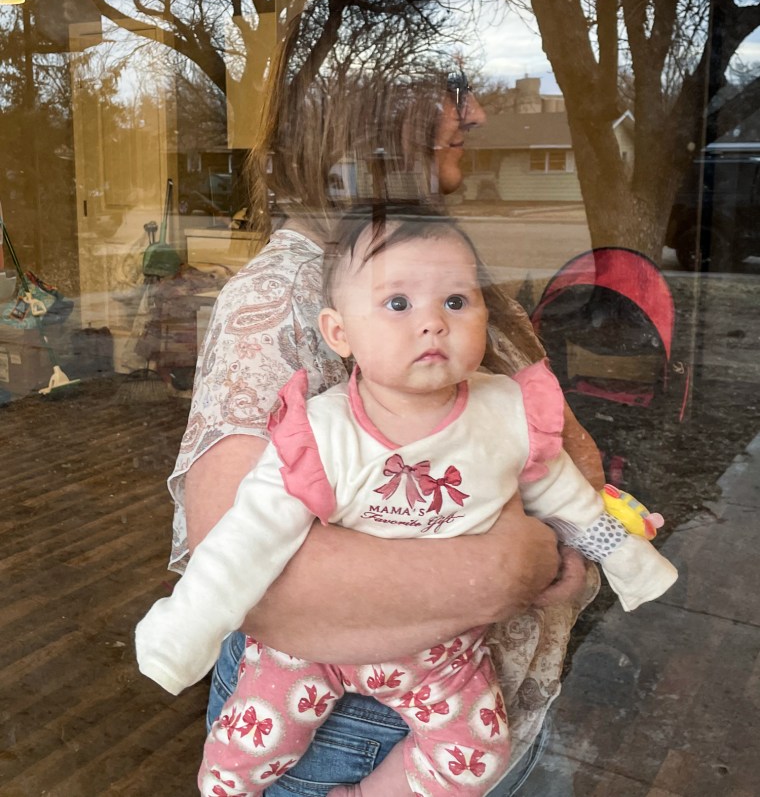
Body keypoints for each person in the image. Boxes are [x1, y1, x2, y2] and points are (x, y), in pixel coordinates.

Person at [162, 0, 606, 796]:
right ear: (381, 110)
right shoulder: (285, 299)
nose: (473, 113)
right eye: (451, 86)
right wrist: (512, 566)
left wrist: (580, 539)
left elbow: (534, 444)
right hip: (356, 739)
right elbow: (249, 573)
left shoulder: (427, 264)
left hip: (466, 722)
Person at [136, 208, 677, 797]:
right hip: (311, 649)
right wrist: (182, 636)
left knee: (476, 756)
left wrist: (629, 562)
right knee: (237, 760)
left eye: (455, 302)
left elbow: (568, 499)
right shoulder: (322, 431)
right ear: (339, 333)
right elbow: (248, 539)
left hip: (442, 654)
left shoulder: (505, 414)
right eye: (398, 304)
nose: (432, 324)